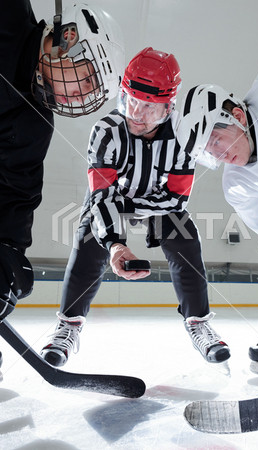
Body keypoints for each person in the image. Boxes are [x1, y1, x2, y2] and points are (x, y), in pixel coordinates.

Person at [40, 47, 230, 367]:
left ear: (168, 108)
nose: (136, 114)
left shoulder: (183, 138)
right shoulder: (105, 131)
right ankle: (68, 326)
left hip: (160, 202)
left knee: (185, 237)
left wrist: (140, 210)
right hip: (114, 198)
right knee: (89, 236)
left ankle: (198, 321)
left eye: (149, 108)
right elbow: (101, 195)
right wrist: (116, 243)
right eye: (131, 100)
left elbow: (178, 197)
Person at [0, 1, 125, 372]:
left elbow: (15, 191)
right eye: (87, 79)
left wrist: (7, 252)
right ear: (67, 40)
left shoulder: (35, 118)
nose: (82, 96)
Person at [176, 23, 258, 373]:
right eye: (207, 153)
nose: (219, 155)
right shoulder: (238, 186)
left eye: (217, 140)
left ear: (237, 115)